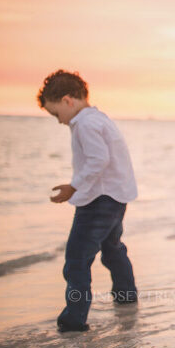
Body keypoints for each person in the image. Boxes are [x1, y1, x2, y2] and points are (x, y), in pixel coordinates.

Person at [37, 70, 139, 333]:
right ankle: (127, 297)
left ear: (68, 100)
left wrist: (73, 186)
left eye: (55, 113)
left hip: (98, 201)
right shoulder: (99, 119)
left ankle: (73, 320)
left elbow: (98, 159)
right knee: (113, 249)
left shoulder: (84, 123)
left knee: (76, 260)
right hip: (116, 198)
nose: (58, 121)